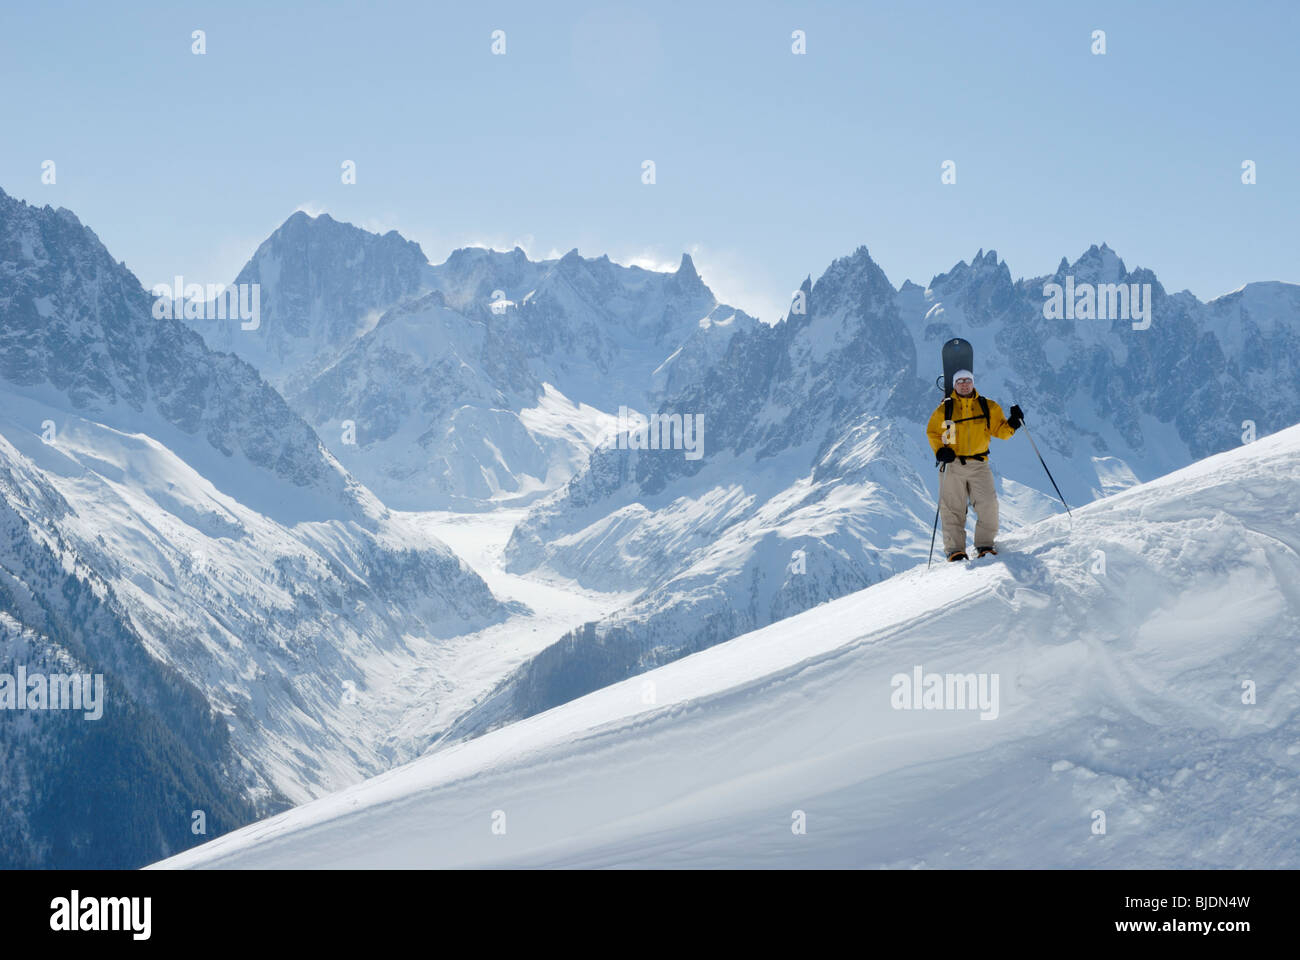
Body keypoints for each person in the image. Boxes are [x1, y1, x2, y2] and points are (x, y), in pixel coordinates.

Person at [925, 370, 1023, 561]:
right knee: (953, 508)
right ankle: (955, 550)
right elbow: (932, 432)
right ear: (954, 385)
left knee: (988, 505)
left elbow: (1001, 432)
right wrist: (940, 450)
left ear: (973, 383)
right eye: (960, 381)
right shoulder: (945, 409)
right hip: (952, 465)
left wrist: (1014, 422)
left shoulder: (987, 406)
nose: (964, 384)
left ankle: (985, 545)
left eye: (967, 381)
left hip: (979, 464)